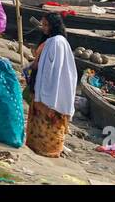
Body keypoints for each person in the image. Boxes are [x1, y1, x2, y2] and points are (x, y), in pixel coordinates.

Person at [25, 13, 77, 158]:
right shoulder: (52, 40)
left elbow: (53, 70)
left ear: (54, 26)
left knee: (49, 124)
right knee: (39, 122)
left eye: (46, 25)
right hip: (41, 86)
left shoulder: (57, 42)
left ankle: (49, 150)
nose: (43, 28)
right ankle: (37, 147)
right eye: (43, 24)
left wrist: (45, 90)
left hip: (50, 89)